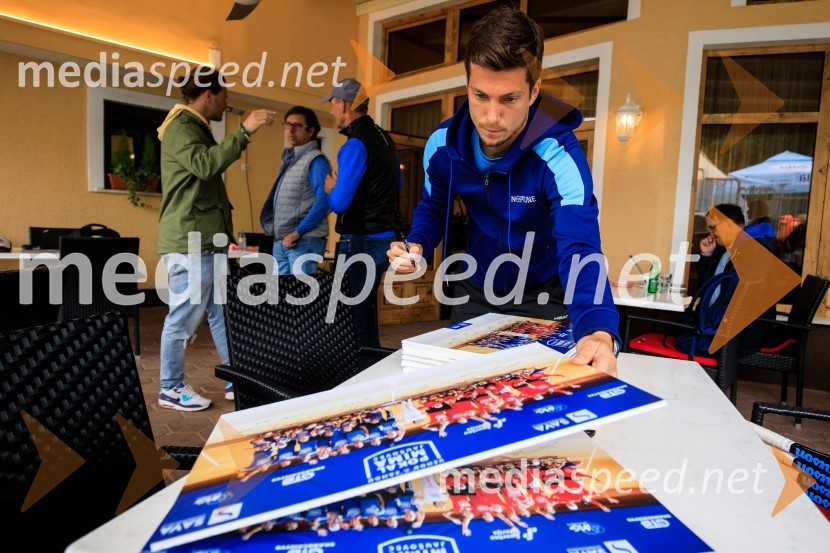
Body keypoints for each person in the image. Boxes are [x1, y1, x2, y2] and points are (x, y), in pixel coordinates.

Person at [386, 6, 620, 374]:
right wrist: (416, 243)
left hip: (546, 293)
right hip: (479, 290)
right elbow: (434, 207)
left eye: (508, 99)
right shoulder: (442, 146)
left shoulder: (560, 157)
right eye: (480, 96)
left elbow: (580, 247)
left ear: (533, 92)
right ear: (467, 86)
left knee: (541, 402)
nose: (491, 118)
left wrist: (597, 328)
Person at [157, 68, 276, 410]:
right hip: (190, 241)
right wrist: (243, 131)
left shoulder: (194, 127)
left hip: (207, 240)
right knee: (183, 315)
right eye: (223, 95)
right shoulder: (181, 127)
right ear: (208, 95)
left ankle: (234, 378)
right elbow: (206, 166)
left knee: (222, 313)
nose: (227, 102)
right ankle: (170, 386)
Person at [321, 77, 400, 349]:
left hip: (360, 239)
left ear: (343, 104)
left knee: (353, 317)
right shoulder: (384, 139)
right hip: (384, 237)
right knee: (365, 312)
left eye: (332, 104)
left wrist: (332, 187)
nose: (331, 111)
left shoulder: (355, 144)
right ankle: (368, 374)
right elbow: (396, 185)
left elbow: (340, 203)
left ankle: (360, 381)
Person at [260, 106, 331, 275]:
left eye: (297, 126)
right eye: (287, 125)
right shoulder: (290, 158)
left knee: (302, 298)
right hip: (282, 240)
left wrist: (297, 233)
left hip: (303, 240)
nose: (290, 130)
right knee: (282, 297)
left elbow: (325, 202)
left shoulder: (316, 160)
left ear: (311, 131)